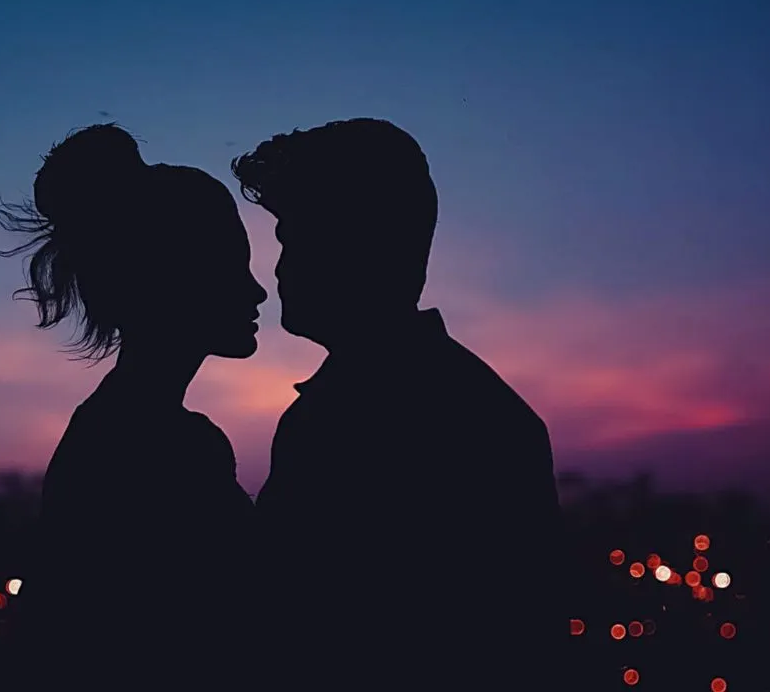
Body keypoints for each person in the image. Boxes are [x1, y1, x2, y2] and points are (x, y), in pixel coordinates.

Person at [232, 118, 566, 689]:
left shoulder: (455, 422)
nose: (280, 267)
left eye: (294, 237)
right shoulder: (463, 410)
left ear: (357, 242)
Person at [0, 123, 267, 688]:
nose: (258, 291)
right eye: (232, 267)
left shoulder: (119, 427)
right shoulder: (161, 446)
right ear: (172, 280)